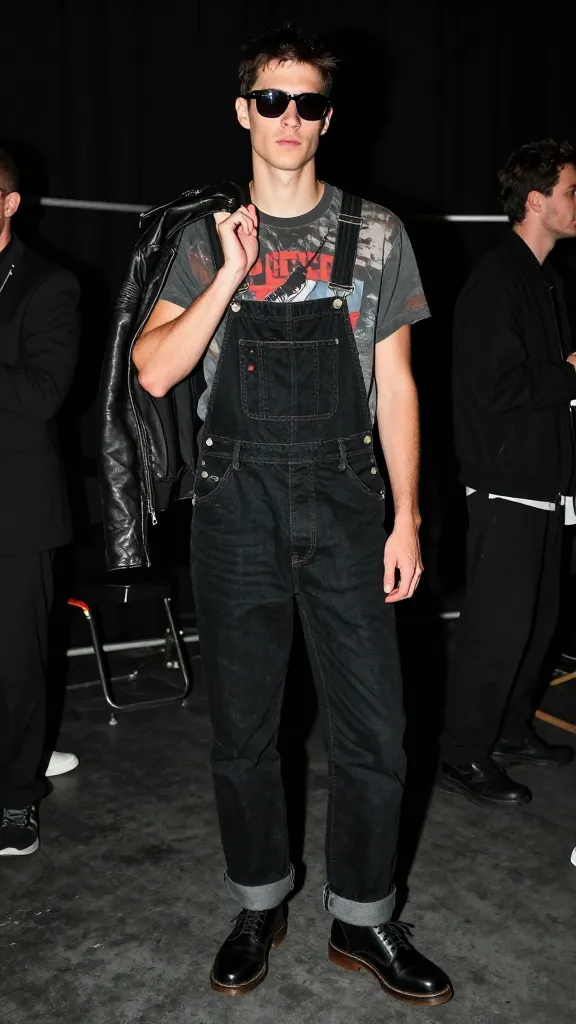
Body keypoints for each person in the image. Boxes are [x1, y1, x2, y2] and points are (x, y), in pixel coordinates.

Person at [132, 28, 452, 1004]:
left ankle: (364, 917)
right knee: (244, 730)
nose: (289, 119)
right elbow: (155, 370)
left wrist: (407, 517)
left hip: (349, 500)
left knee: (376, 729)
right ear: (243, 111)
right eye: (271, 100)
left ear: (327, 118)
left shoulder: (375, 233)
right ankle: (259, 900)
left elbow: (397, 387)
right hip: (237, 503)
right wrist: (230, 273)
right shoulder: (204, 238)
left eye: (307, 103)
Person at [439, 139, 576, 809]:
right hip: (505, 483)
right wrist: (571, 373)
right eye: (572, 192)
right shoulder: (498, 280)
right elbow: (494, 388)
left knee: (538, 620)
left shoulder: (543, 281)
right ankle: (462, 753)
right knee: (496, 628)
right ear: (536, 201)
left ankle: (511, 730)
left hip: (543, 483)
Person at [0, 149, 79, 858]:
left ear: (8, 204)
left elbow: (41, 395)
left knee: (16, 667)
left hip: (16, 512)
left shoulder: (49, 284)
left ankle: (16, 799)